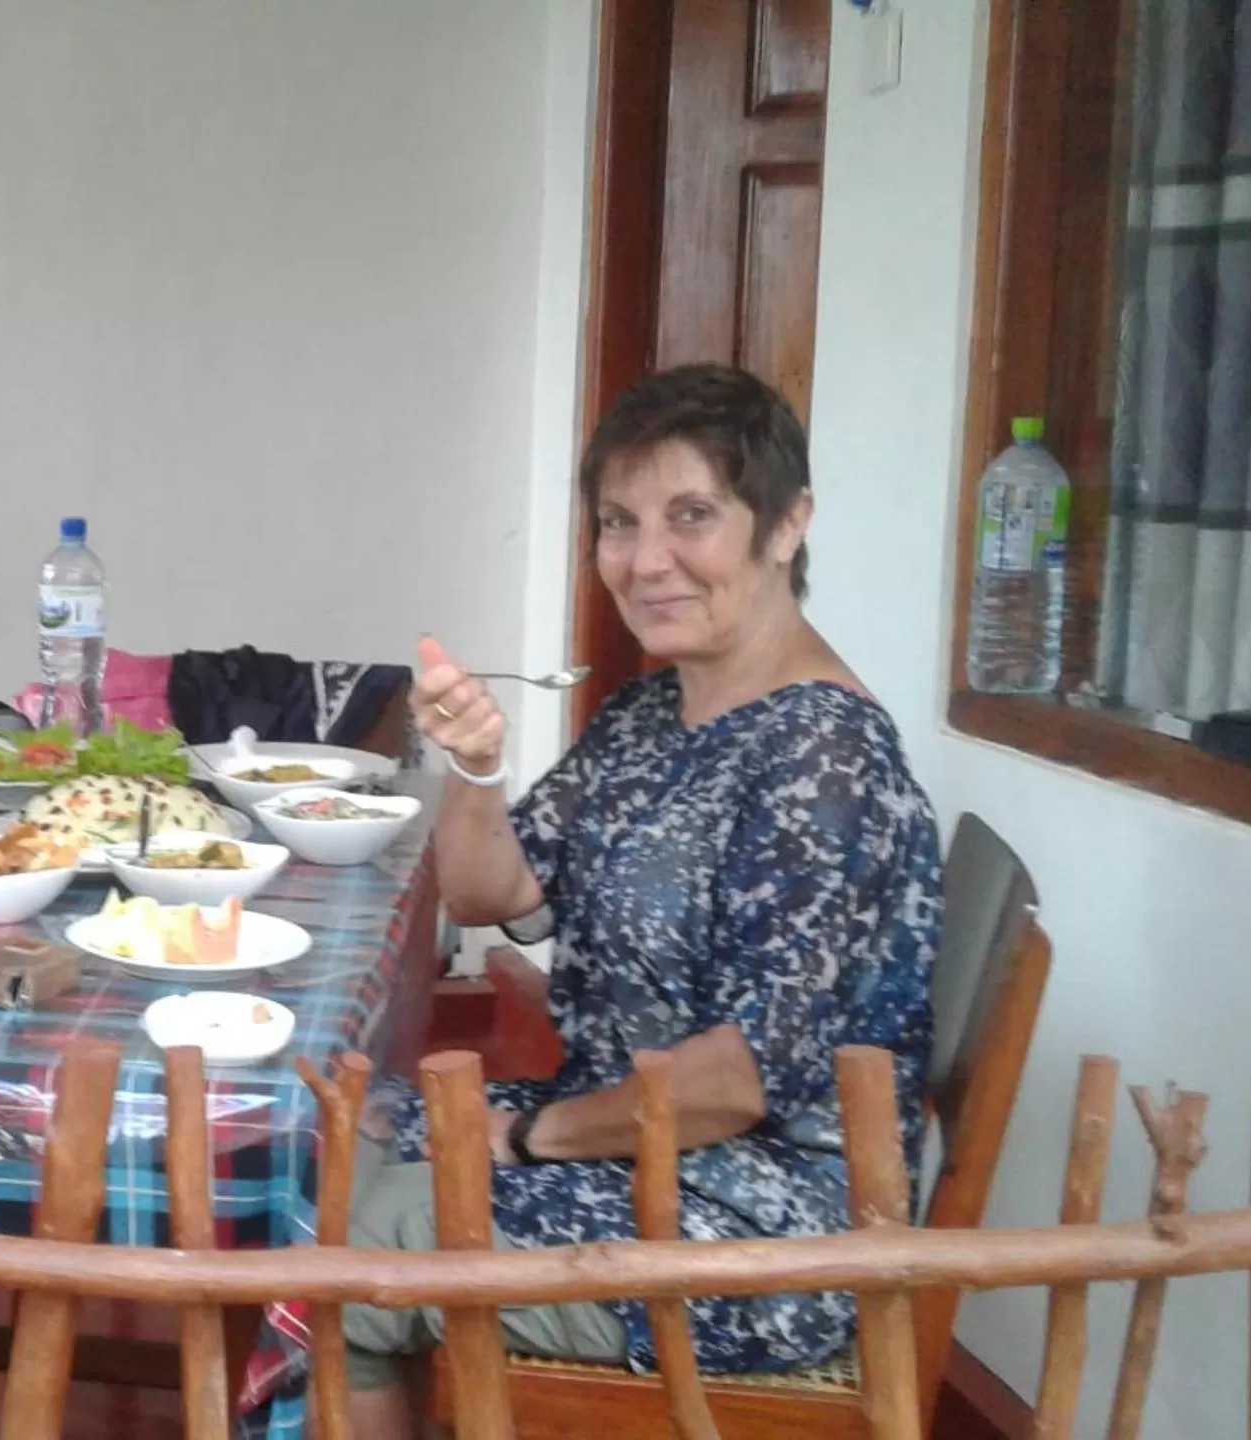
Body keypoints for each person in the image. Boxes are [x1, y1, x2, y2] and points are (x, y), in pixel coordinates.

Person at [342, 364, 942, 1437]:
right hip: (641, 1158)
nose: (646, 560)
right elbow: (494, 892)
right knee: (340, 1160)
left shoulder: (826, 763)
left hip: (761, 1229)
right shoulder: (655, 712)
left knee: (347, 1253)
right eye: (619, 522)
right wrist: (475, 763)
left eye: (692, 516)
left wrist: (522, 1138)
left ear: (787, 525)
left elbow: (736, 1082)